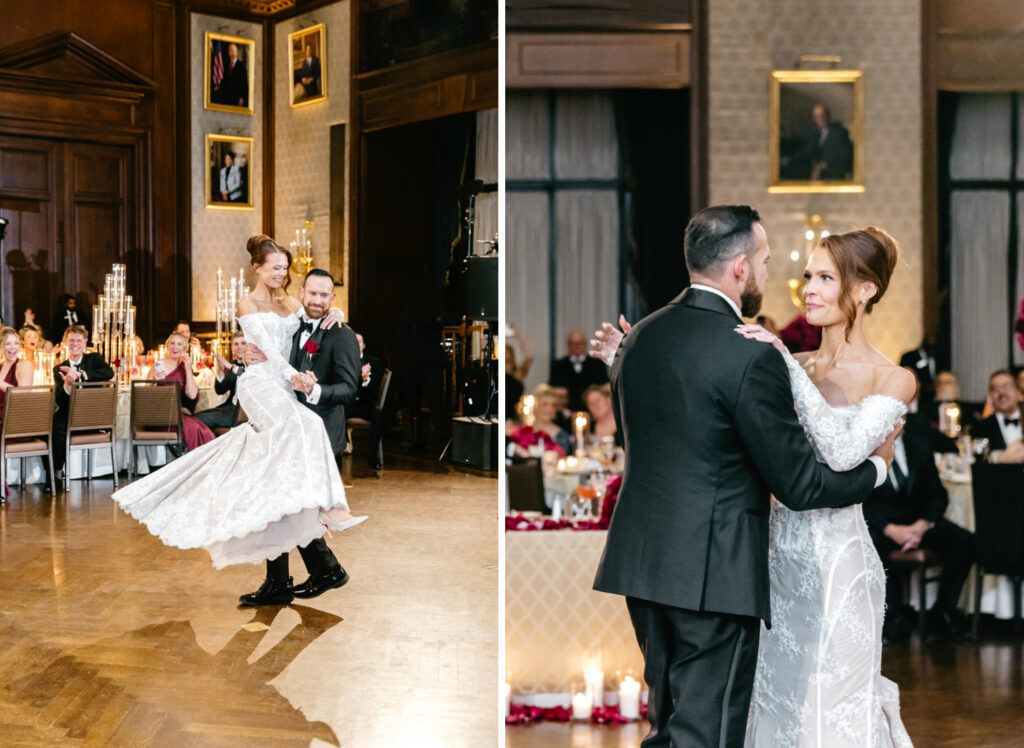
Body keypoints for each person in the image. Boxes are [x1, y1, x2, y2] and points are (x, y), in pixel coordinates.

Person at [590, 207, 901, 748]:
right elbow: (801, 486)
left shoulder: (638, 339)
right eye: (764, 261)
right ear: (739, 268)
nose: (773, 273)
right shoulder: (747, 352)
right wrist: (877, 468)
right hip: (714, 571)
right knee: (703, 735)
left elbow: (654, 435)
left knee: (671, 723)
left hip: (644, 566)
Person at [111, 237, 365, 605]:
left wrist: (337, 315)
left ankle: (295, 574)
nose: (282, 273)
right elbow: (272, 355)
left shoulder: (293, 302)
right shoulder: (248, 303)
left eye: (285, 268)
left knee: (272, 485)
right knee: (293, 450)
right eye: (276, 267)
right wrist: (291, 375)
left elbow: (315, 315)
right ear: (258, 268)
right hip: (261, 384)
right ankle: (323, 536)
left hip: (285, 388)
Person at [862, 416, 974, 644]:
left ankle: (943, 610)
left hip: (917, 523)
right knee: (869, 548)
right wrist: (890, 529)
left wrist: (922, 526)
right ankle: (893, 616)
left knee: (965, 542)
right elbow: (861, 500)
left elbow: (937, 494)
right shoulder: (864, 449)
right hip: (884, 527)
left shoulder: (919, 445)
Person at [51, 325, 115, 485]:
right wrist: (67, 385)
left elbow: (109, 373)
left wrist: (82, 375)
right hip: (71, 418)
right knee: (54, 424)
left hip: (94, 417)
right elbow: (59, 401)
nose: (75, 343)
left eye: (79, 340)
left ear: (85, 343)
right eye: (71, 340)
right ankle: (55, 472)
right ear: (66, 343)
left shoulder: (94, 359)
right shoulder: (59, 368)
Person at [146, 332, 215, 452]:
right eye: (172, 343)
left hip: (178, 415)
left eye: (179, 344)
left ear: (184, 349)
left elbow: (192, 395)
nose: (175, 347)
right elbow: (145, 395)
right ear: (167, 346)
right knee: (192, 428)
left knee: (204, 430)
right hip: (159, 416)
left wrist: (188, 369)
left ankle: (203, 465)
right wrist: (154, 381)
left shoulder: (184, 368)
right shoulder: (158, 366)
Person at [345, 332, 384, 467]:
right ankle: (337, 453)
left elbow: (374, 391)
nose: (356, 345)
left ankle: (373, 458)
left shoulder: (373, 363)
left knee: (378, 413)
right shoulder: (343, 361)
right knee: (333, 410)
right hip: (346, 404)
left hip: (365, 403)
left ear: (364, 346)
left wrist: (365, 379)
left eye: (359, 342)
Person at [785, 103, 854, 181]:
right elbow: (807, 151)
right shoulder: (817, 132)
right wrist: (790, 159)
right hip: (817, 168)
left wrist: (823, 165)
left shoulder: (839, 133)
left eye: (822, 116)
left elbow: (845, 156)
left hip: (833, 170)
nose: (819, 119)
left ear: (828, 116)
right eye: (816, 117)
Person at [195, 331, 246, 432]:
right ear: (232, 347)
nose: (239, 347)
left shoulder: (253, 365)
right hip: (228, 408)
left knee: (197, 420)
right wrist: (221, 371)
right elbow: (220, 391)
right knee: (194, 417)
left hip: (241, 414)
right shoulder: (231, 364)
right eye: (236, 344)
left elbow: (245, 374)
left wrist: (229, 366)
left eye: (243, 343)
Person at [970, 370, 1024, 463]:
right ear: (990, 396)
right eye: (995, 388)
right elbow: (978, 464)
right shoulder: (980, 428)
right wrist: (998, 458)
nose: (1002, 392)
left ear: (1019, 393)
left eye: (1007, 386)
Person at [550, 330, 608, 411]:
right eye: (573, 343)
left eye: (580, 343)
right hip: (566, 411)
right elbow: (553, 388)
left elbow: (604, 387)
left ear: (585, 344)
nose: (577, 346)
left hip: (592, 410)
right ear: (568, 345)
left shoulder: (597, 364)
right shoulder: (558, 365)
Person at [0, 326, 35, 421]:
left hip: (15, 422)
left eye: (16, 343)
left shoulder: (24, 365)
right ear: (1, 347)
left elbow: (23, 395)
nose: (13, 347)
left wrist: (1, 383)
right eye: (8, 344)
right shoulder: (1, 366)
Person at [213, 42, 248, 108]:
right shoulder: (226, 64)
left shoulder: (241, 65)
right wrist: (219, 87)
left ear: (237, 52)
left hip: (237, 97)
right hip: (227, 96)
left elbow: (244, 83)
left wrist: (242, 97)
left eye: (234, 50)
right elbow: (224, 80)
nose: (232, 52)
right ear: (228, 52)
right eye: (230, 51)